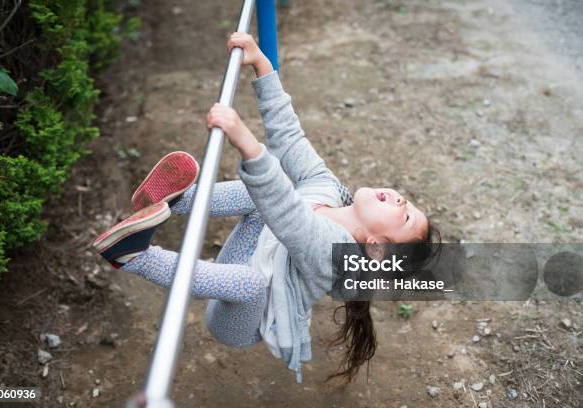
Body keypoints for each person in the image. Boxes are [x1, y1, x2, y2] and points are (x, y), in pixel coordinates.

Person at [93, 32, 440, 383]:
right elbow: (290, 138)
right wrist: (262, 66)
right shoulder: (329, 189)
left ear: (377, 246)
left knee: (254, 273)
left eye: (406, 214)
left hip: (242, 319)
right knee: (259, 198)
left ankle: (133, 256)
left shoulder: (333, 255)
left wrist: (245, 140)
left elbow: (288, 214)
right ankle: (178, 199)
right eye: (406, 201)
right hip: (247, 256)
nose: (401, 198)